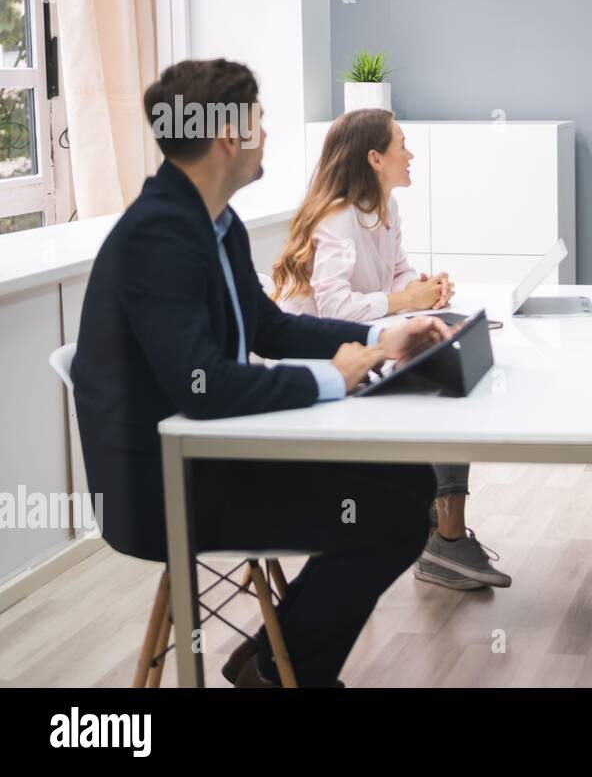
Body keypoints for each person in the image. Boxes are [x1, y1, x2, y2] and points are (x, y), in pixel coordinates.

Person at [72, 59, 452, 685]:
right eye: (259, 121)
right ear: (228, 136)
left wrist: (380, 339)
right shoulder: (161, 237)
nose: (266, 134)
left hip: (209, 454)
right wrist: (337, 376)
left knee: (407, 479)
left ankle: (277, 661)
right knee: (392, 518)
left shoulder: (210, 221)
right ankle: (284, 673)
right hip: (165, 488)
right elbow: (207, 386)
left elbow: (270, 328)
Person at [272, 108, 511, 591]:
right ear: (375, 158)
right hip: (316, 366)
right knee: (442, 388)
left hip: (357, 351)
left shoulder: (384, 209)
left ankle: (435, 527)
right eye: (403, 143)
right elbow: (335, 306)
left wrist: (425, 288)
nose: (411, 153)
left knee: (441, 365)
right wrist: (406, 301)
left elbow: (395, 272)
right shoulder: (337, 219)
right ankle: (444, 536)